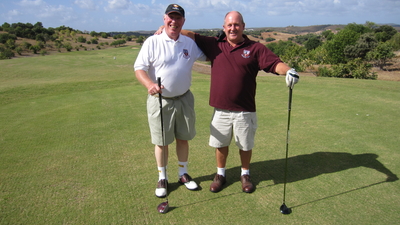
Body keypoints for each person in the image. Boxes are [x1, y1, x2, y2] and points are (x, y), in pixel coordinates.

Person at [156, 11, 299, 193]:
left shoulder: (255, 48)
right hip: (221, 110)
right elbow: (191, 35)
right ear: (224, 27)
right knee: (220, 144)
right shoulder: (215, 45)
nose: (233, 28)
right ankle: (220, 175)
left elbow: (274, 63)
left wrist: (288, 71)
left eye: (236, 25)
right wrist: (165, 28)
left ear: (243, 27)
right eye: (229, 25)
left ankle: (245, 175)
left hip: (244, 109)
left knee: (245, 145)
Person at [134, 4, 206, 198]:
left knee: (183, 138)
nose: (174, 21)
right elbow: (139, 68)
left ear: (183, 21)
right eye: (171, 17)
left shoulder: (189, 43)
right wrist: (150, 84)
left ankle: (183, 174)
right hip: (161, 100)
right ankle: (162, 177)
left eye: (178, 18)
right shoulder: (152, 42)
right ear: (164, 18)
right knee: (162, 141)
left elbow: (209, 54)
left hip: (184, 99)